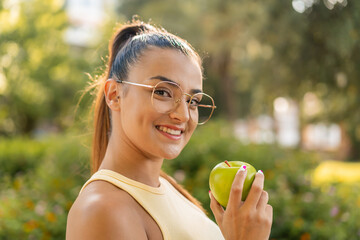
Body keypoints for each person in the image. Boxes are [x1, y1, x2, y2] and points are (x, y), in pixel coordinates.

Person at [66, 20, 273, 240]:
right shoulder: (102, 210)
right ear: (114, 94)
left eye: (193, 100)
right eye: (163, 92)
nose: (183, 115)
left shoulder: (168, 189)